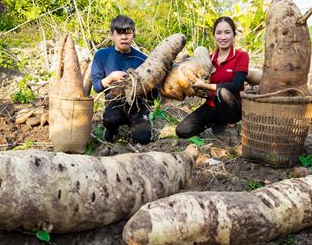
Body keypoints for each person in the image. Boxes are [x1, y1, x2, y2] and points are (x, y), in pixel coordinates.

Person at [175, 16, 249, 147]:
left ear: (233, 35)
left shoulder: (241, 56)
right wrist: (197, 88)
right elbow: (204, 89)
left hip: (233, 106)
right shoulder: (207, 60)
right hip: (212, 105)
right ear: (214, 36)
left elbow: (237, 85)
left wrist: (206, 85)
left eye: (227, 32)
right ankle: (217, 123)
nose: (223, 37)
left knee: (223, 92)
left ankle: (232, 128)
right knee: (182, 130)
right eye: (219, 33)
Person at [92, 15, 157, 145]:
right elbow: (97, 86)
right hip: (115, 103)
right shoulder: (102, 55)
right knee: (110, 119)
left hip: (138, 105)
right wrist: (111, 78)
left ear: (133, 35)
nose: (124, 37)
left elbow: (154, 93)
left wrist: (145, 85)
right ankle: (111, 130)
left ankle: (138, 125)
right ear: (112, 35)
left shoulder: (143, 59)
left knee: (144, 138)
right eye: (119, 33)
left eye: (128, 33)